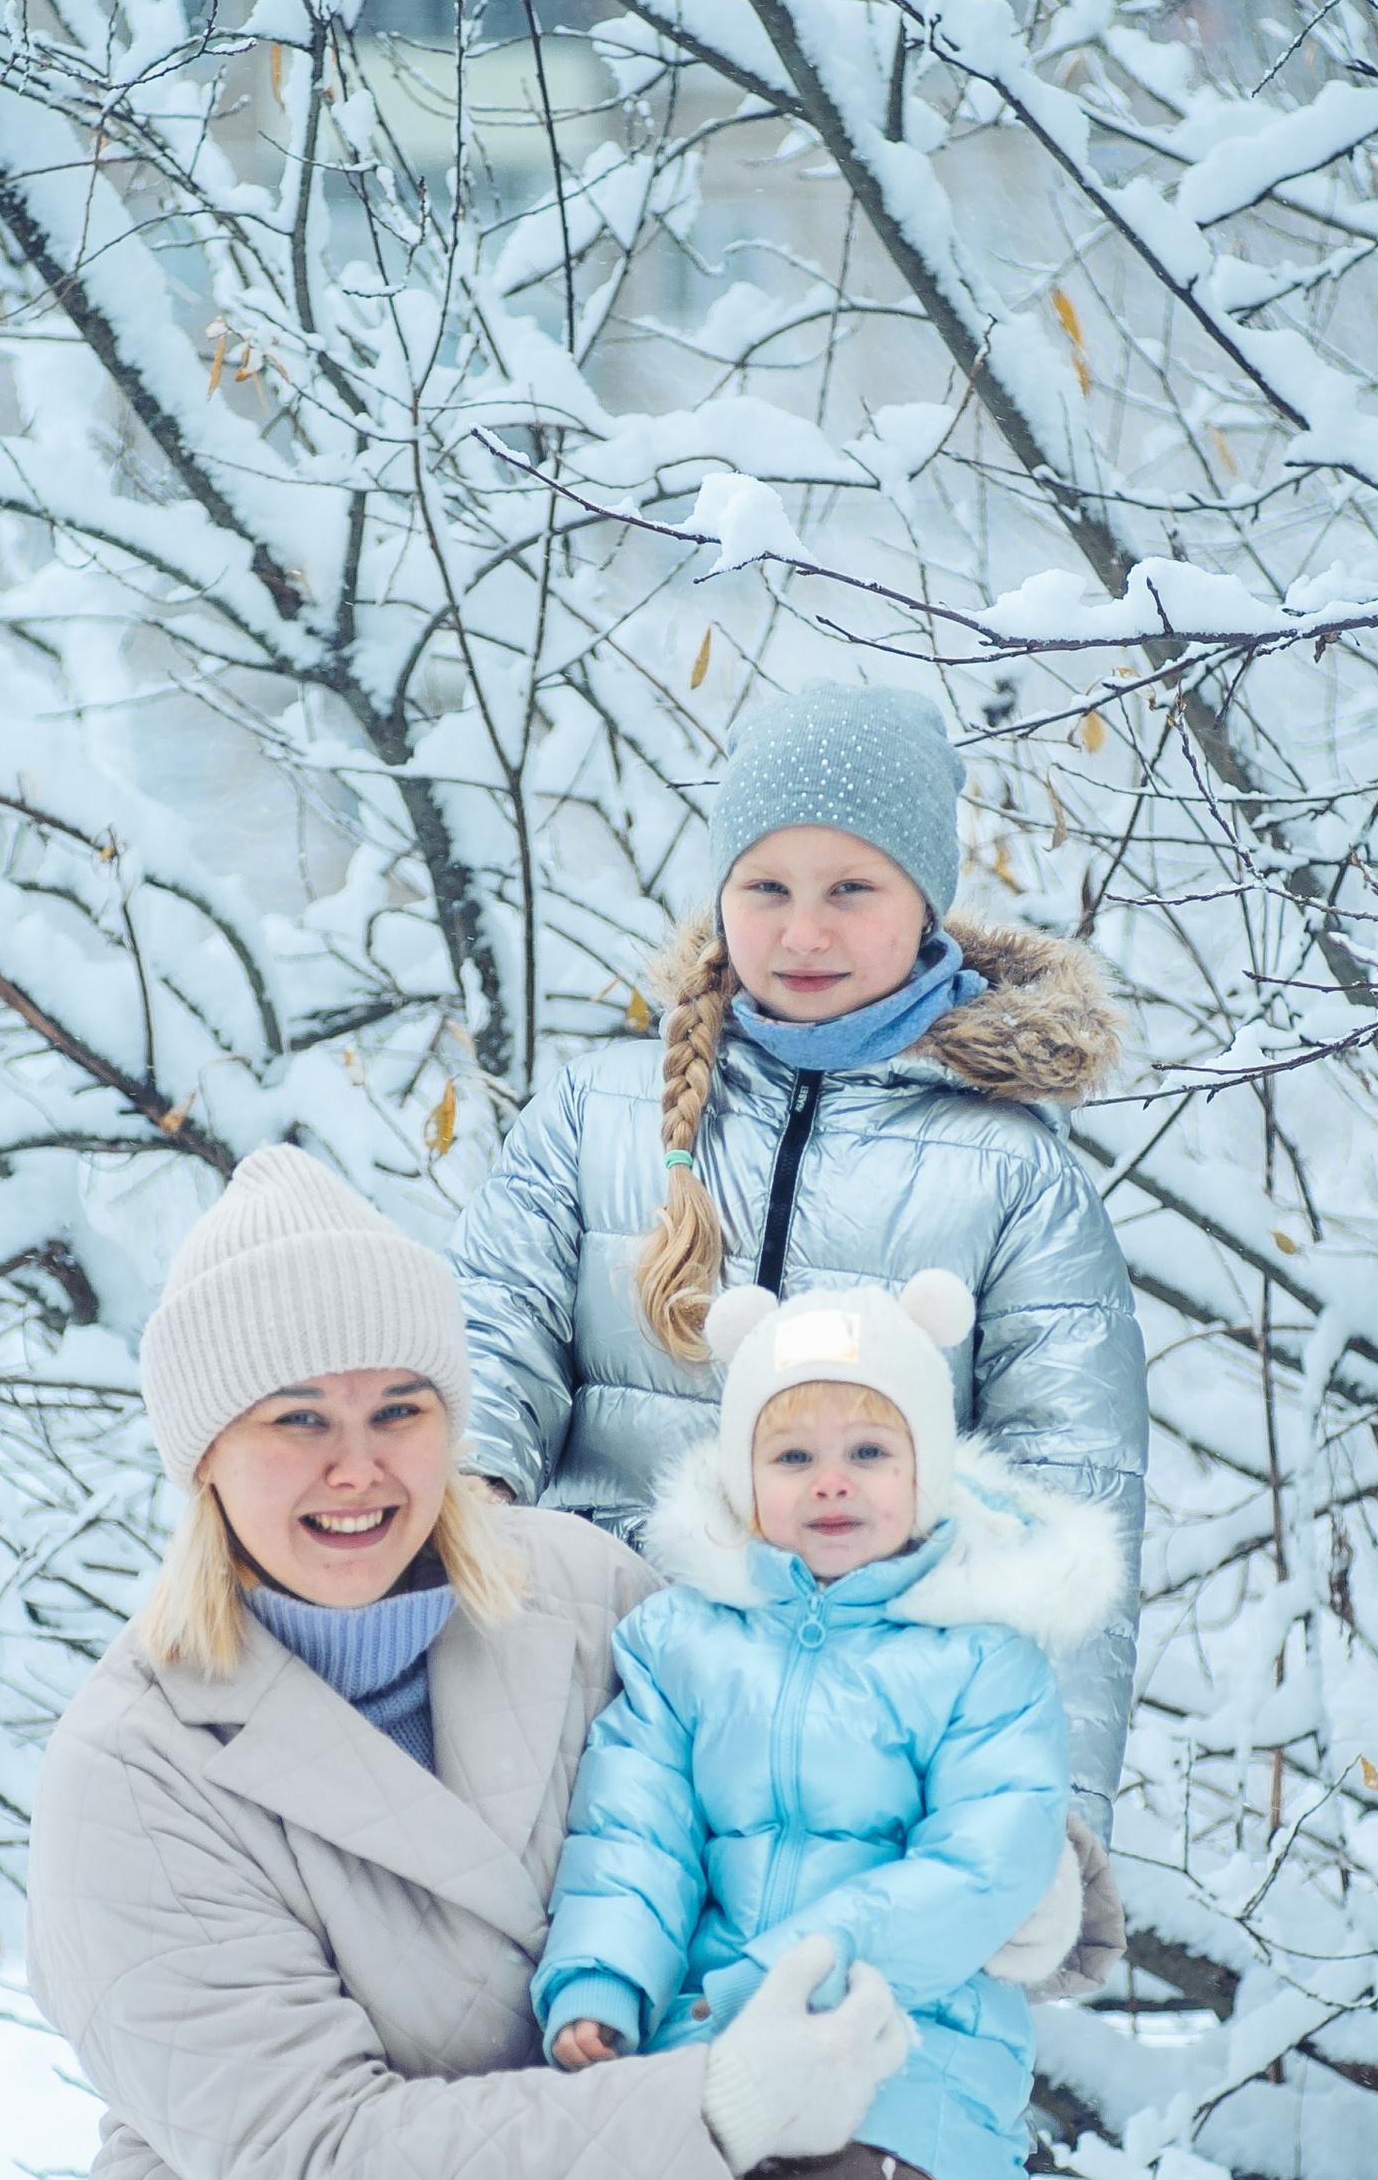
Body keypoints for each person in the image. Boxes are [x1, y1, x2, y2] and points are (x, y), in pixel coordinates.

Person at [27, 1148, 1096, 2180]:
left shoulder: (577, 1592)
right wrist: (720, 2106)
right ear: (204, 1455)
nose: (358, 1467)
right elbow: (333, 2168)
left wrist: (1033, 1887)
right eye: (295, 1418)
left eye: (402, 1406)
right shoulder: (136, 1769)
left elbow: (847, 1721)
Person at [430, 1270, 1124, 2180]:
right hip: (704, 2041)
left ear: (930, 1468)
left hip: (900, 2058)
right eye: (793, 1451)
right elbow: (635, 1835)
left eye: (870, 1448)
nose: (832, 1481)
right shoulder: (689, 1641)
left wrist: (783, 1983)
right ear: (743, 1473)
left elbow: (984, 1860)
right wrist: (601, 1985)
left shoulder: (983, 1654)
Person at [446, 680, 1146, 1882]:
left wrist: (1053, 1823)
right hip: (590, 1697)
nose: (801, 933)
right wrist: (455, 1553)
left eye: (851, 890)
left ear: (925, 903)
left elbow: (1069, 1504)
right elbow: (483, 1354)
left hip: (858, 1739)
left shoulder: (1009, 1168)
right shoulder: (593, 1114)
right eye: (765, 887)